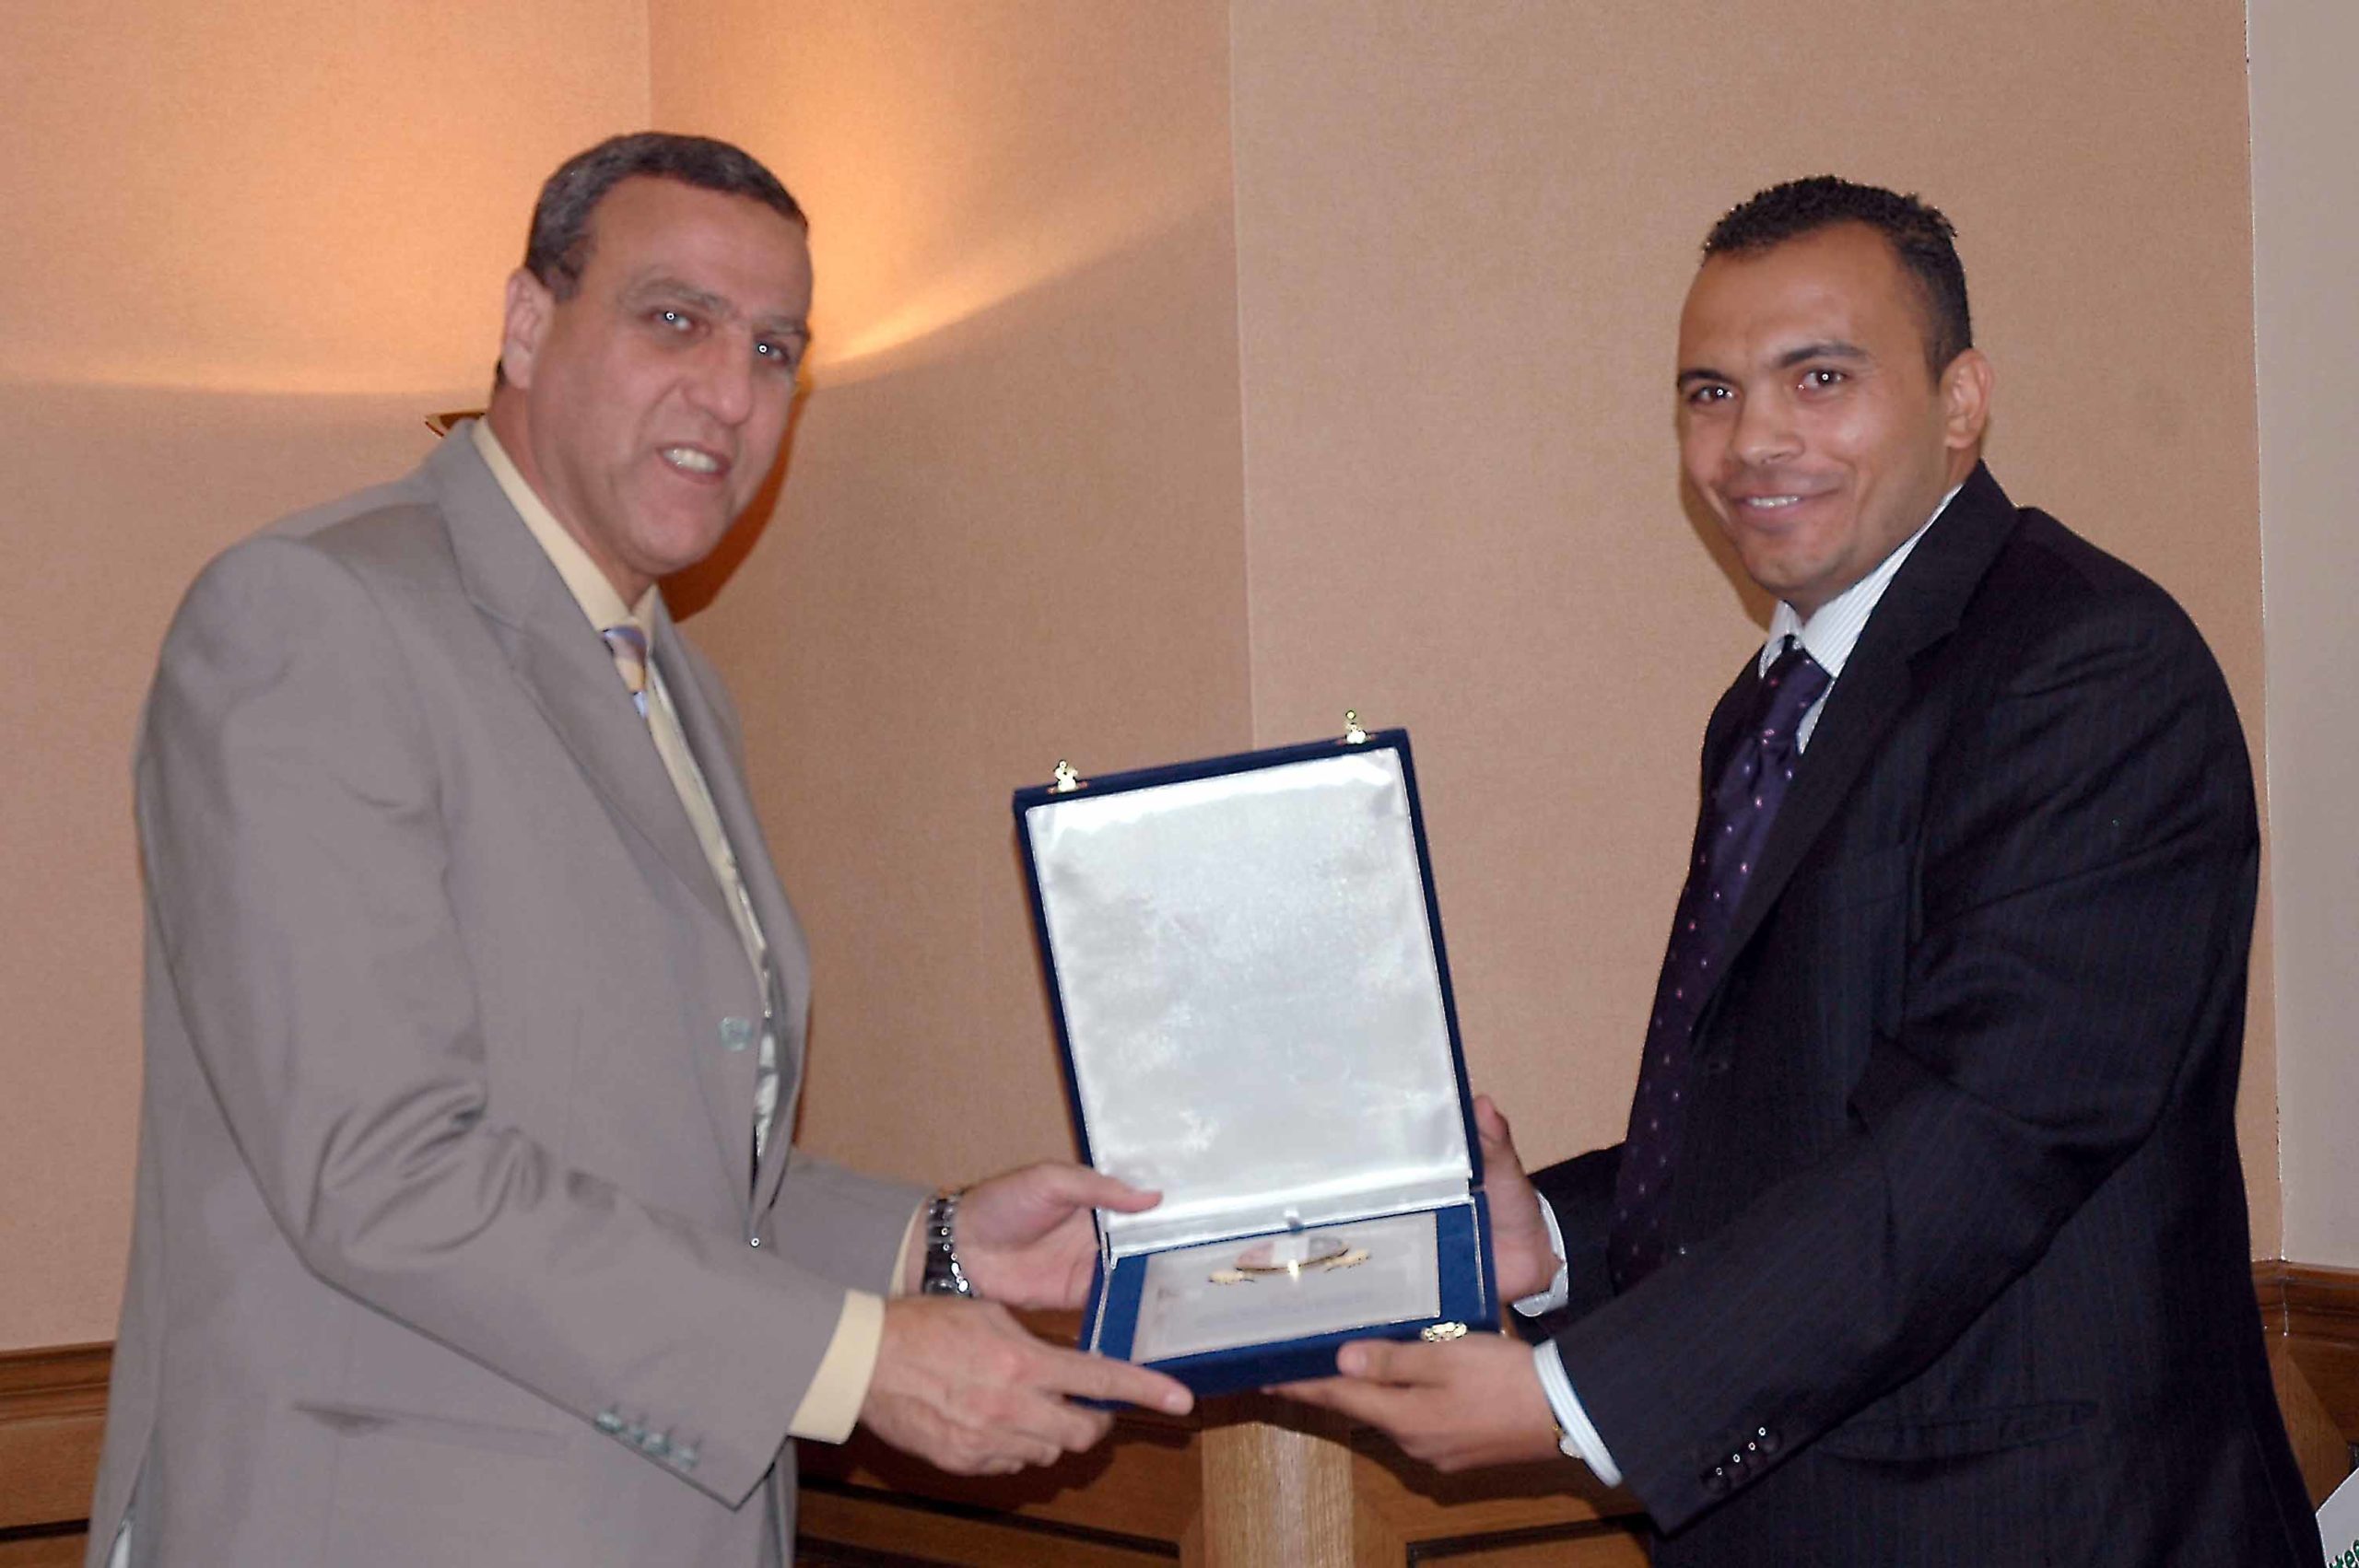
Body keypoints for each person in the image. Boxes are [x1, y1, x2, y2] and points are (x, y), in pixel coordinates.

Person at [84, 132, 1191, 1568]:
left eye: (774, 349)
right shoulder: (314, 615)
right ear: (526, 323)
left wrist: (934, 1244)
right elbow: (383, 1167)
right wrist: (853, 1360)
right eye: (676, 318)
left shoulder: (680, 684)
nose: (730, 392)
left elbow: (661, 1163)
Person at [1285, 176, 2323, 1565]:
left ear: (1961, 403)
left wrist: (1584, 1398)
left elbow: (1981, 1134)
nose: (1753, 440)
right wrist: (1558, 1241)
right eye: (1709, 393)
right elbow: (1795, 1123)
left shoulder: (2086, 665)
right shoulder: (1775, 703)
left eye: (1819, 378)